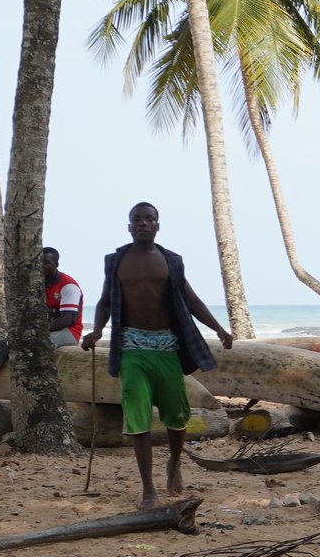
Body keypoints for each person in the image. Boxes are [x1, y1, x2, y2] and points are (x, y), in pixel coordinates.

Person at [83, 202, 233, 506]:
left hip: (168, 347)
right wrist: (97, 330)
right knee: (137, 416)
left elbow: (191, 300)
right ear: (129, 226)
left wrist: (219, 328)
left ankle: (175, 463)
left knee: (177, 415)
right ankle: (148, 488)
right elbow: (105, 302)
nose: (142, 223)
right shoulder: (116, 261)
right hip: (132, 348)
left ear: (157, 226)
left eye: (148, 219)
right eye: (136, 219)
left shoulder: (171, 261)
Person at [0, 247, 82, 405]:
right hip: (42, 330)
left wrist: (37, 332)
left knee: (34, 347)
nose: (42, 267)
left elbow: (68, 319)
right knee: (2, 345)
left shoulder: (68, 286)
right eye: (39, 263)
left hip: (68, 332)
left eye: (47, 263)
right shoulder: (36, 285)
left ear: (56, 264)